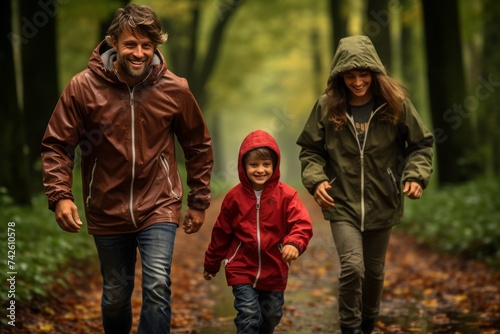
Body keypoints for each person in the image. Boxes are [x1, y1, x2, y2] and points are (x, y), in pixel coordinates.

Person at [40, 4, 213, 333]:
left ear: (156, 47)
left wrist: (199, 199)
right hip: (106, 207)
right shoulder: (83, 87)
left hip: (159, 204)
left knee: (158, 287)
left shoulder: (175, 89)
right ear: (113, 43)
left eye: (147, 46)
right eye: (131, 44)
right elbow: (57, 144)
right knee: (116, 296)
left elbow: (198, 144)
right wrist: (60, 195)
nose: (139, 53)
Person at [296, 35, 434, 334]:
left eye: (363, 75)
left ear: (374, 74)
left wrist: (414, 176)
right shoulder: (326, 107)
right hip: (341, 201)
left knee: (374, 272)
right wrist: (316, 179)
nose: (357, 82)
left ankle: (367, 324)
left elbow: (421, 144)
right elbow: (310, 150)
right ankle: (349, 328)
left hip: (383, 199)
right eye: (350, 76)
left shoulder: (395, 105)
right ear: (339, 77)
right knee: (353, 267)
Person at [203, 130, 313, 333]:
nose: (260, 170)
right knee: (248, 314)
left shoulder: (287, 195)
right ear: (243, 166)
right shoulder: (234, 198)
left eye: (266, 164)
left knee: (271, 317)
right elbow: (221, 233)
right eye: (253, 165)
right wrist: (211, 263)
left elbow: (301, 223)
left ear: (274, 165)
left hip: (275, 268)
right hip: (241, 268)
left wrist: (293, 243)